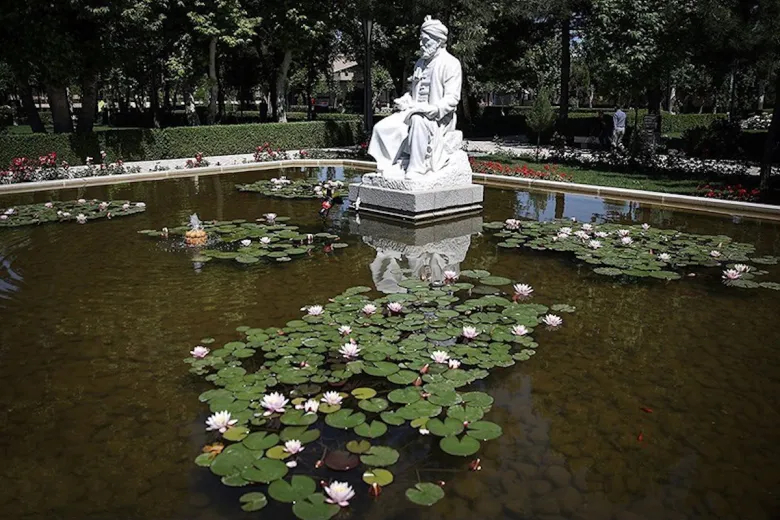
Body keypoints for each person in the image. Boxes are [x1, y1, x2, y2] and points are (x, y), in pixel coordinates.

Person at [367, 16, 462, 178]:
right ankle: (389, 164)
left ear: (438, 41)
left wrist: (432, 109)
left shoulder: (451, 63)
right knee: (381, 127)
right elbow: (414, 93)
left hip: (438, 117)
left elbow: (452, 99)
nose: (421, 44)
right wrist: (406, 101)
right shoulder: (420, 63)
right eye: (421, 40)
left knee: (418, 120)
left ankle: (416, 167)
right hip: (414, 110)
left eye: (425, 41)